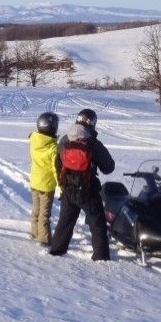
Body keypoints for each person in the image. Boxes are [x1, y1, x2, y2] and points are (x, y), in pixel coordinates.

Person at [49, 108, 115, 261]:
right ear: (92, 123)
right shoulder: (93, 142)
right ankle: (101, 258)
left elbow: (57, 163)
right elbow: (108, 167)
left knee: (65, 222)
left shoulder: (65, 139)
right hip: (88, 189)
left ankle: (56, 252)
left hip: (68, 189)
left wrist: (63, 183)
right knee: (97, 224)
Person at [28, 112, 60, 245]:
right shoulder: (53, 149)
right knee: (44, 214)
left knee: (36, 209)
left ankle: (35, 231)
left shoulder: (34, 141)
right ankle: (44, 238)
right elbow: (56, 169)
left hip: (35, 182)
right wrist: (61, 187)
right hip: (46, 186)